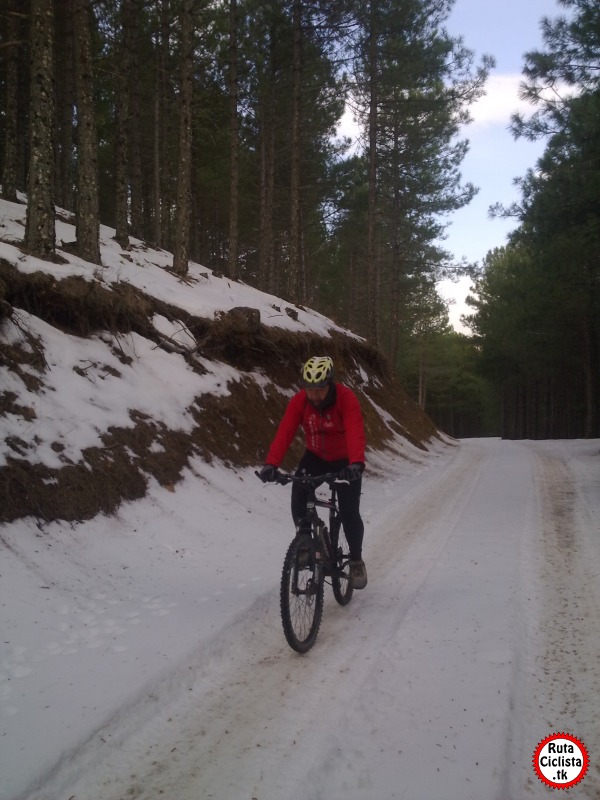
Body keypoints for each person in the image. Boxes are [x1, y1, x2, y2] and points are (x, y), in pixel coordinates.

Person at [258, 356, 368, 589]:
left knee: (349, 512)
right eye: (310, 390)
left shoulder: (346, 399)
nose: (315, 396)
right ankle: (306, 542)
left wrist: (356, 463)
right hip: (316, 457)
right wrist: (271, 464)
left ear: (330, 384)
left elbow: (355, 431)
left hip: (345, 461)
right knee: (299, 493)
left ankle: (356, 559)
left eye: (320, 390)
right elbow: (285, 431)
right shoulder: (300, 401)